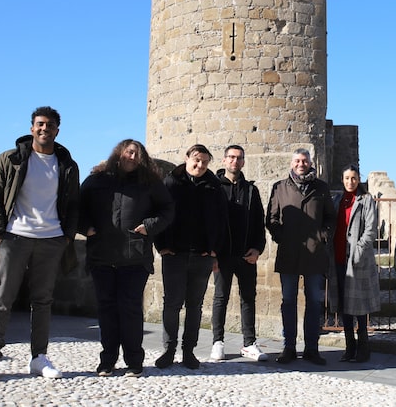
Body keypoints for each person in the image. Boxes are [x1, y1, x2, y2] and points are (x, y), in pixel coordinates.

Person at [0, 106, 79, 383]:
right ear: (32, 128)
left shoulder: (67, 165)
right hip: (13, 237)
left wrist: (67, 236)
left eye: (50, 125)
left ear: (57, 130)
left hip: (51, 239)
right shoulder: (11, 159)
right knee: (3, 298)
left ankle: (39, 357)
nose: (45, 129)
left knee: (43, 301)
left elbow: (74, 204)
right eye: (40, 124)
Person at [79, 140, 175, 378]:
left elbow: (167, 210)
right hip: (102, 255)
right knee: (106, 309)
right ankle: (107, 360)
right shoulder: (96, 180)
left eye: (137, 154)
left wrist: (149, 226)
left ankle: (134, 362)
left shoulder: (150, 183)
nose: (132, 157)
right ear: (119, 153)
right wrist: (85, 227)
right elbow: (77, 207)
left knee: (130, 309)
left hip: (135, 257)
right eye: (129, 152)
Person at [154, 144, 228, 370]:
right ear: (187, 158)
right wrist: (162, 246)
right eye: (196, 160)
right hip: (174, 254)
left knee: (195, 305)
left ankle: (189, 351)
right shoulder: (170, 183)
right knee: (172, 304)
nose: (200, 165)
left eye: (205, 162)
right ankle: (169, 350)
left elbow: (222, 220)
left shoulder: (214, 187)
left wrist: (214, 249)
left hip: (201, 255)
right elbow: (158, 214)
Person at [266, 148, 336, 365]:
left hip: (315, 254)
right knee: (288, 301)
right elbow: (272, 218)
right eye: (297, 161)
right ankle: (288, 347)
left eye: (304, 161)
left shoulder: (321, 188)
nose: (301, 164)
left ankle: (311, 348)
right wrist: (282, 237)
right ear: (292, 163)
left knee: (314, 302)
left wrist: (323, 236)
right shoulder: (280, 187)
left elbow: (330, 217)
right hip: (289, 252)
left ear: (310, 163)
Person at [210, 145, 267, 362]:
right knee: (220, 298)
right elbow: (208, 221)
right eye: (231, 157)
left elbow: (259, 222)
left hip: (246, 255)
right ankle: (217, 342)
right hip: (222, 255)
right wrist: (212, 252)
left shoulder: (251, 190)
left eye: (239, 158)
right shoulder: (214, 188)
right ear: (224, 160)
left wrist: (258, 249)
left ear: (243, 162)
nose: (235, 161)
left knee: (248, 298)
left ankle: (249, 343)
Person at [329, 164, 380, 363]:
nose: (350, 182)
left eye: (353, 178)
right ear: (342, 180)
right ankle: (349, 347)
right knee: (344, 305)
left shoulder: (366, 200)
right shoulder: (337, 200)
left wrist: (358, 250)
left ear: (358, 180)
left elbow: (370, 230)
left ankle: (363, 348)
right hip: (338, 258)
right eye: (347, 178)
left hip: (357, 260)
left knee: (359, 306)